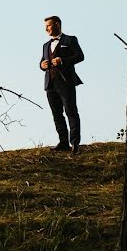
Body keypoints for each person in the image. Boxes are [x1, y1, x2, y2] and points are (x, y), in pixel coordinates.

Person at [38, 16, 85, 155]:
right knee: (57, 114)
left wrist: (62, 60)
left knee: (71, 112)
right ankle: (63, 142)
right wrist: (42, 65)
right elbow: (41, 62)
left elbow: (80, 56)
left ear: (57, 24)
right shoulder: (45, 45)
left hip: (66, 82)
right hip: (50, 84)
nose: (46, 29)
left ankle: (75, 144)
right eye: (45, 26)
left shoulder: (70, 40)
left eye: (49, 25)